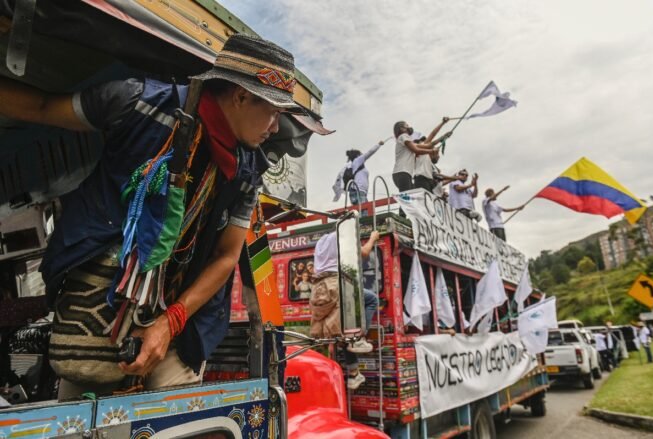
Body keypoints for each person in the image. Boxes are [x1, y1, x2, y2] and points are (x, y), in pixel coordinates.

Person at [0, 34, 307, 399]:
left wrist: (170, 322)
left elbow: (226, 257)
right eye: (274, 111)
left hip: (182, 319)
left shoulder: (248, 170)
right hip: (97, 308)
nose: (275, 128)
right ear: (241, 96)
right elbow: (40, 108)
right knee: (80, 412)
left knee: (169, 417)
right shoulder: (137, 103)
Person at [310, 230, 380, 390]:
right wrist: (372, 238)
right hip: (336, 284)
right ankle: (360, 337)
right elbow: (364, 253)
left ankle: (354, 374)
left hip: (319, 288)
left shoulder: (321, 240)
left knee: (342, 334)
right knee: (371, 299)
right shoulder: (343, 235)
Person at [391, 119, 449, 193]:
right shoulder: (404, 136)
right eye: (407, 125)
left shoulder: (407, 144)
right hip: (403, 173)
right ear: (401, 128)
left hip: (403, 174)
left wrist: (442, 137)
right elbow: (417, 150)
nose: (409, 127)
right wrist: (431, 151)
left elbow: (429, 144)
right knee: (407, 199)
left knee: (409, 198)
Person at [332, 140, 387, 206]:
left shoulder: (355, 164)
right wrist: (378, 144)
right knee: (364, 214)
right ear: (358, 155)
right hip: (358, 191)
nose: (362, 155)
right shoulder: (357, 161)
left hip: (359, 192)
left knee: (363, 213)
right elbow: (370, 152)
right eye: (361, 154)